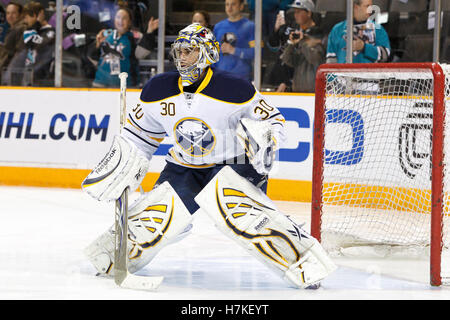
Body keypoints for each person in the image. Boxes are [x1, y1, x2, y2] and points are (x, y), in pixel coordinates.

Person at [81, 23, 336, 289]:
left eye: (188, 51)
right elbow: (138, 135)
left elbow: (275, 121)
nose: (181, 58)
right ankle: (111, 256)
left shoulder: (235, 89)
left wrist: (265, 138)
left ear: (206, 54)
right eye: (178, 51)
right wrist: (125, 160)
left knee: (240, 213)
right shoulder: (158, 89)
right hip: (184, 166)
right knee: (158, 214)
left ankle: (306, 262)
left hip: (234, 164)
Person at [4, 1, 55, 86]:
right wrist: (37, 23)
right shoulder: (29, 31)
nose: (25, 20)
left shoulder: (51, 33)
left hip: (42, 78)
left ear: (35, 16)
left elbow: (40, 44)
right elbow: (29, 40)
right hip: (27, 76)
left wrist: (37, 22)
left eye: (26, 17)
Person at [280, 1, 325, 93]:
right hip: (297, 91)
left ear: (309, 13)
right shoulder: (298, 34)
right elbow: (287, 60)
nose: (296, 15)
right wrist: (291, 44)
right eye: (295, 12)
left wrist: (303, 42)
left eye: (299, 12)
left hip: (315, 92)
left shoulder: (319, 34)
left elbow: (316, 59)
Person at [326, 0, 390, 63]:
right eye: (367, 6)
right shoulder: (337, 30)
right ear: (356, 7)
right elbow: (331, 60)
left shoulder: (378, 29)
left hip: (369, 72)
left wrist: (364, 47)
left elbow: (385, 56)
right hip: (343, 73)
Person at [90, 7, 139, 87]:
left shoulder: (133, 38)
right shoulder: (106, 34)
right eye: (118, 17)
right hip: (100, 84)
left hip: (125, 85)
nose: (120, 21)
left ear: (129, 22)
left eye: (124, 18)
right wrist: (97, 44)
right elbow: (91, 56)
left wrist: (149, 33)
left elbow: (142, 53)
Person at [213, 0, 255, 81]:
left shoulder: (250, 27)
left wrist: (234, 51)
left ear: (241, 6)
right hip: (220, 77)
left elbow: (257, 52)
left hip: (241, 78)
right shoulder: (218, 27)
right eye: (227, 4)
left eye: (233, 4)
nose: (229, 7)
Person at [0, 1, 25, 82]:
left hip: (12, 74)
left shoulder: (20, 29)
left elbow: (14, 53)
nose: (10, 16)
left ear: (21, 14)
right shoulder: (13, 29)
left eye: (13, 13)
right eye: (8, 13)